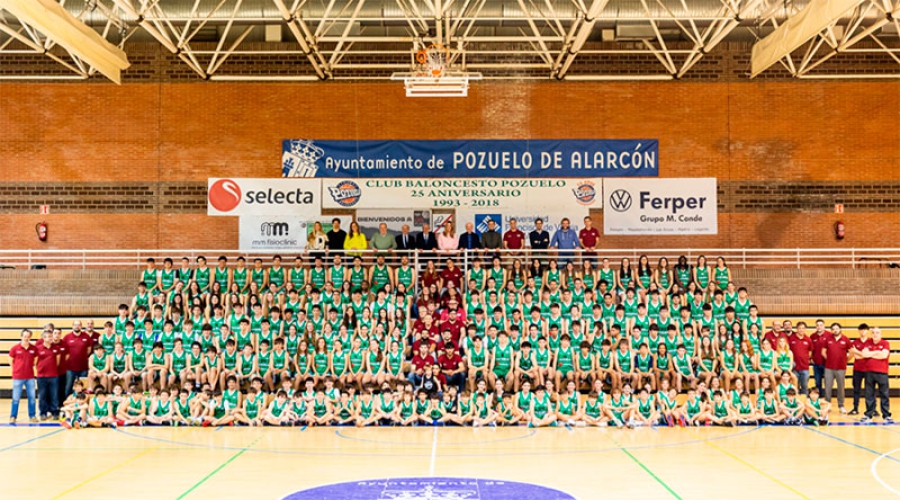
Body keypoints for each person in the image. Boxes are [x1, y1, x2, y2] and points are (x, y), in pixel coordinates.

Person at [861, 327, 892, 423]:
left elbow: (884, 355)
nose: (875, 334)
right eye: (873, 332)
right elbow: (864, 354)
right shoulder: (868, 342)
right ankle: (868, 414)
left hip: (882, 372)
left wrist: (871, 354)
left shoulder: (885, 343)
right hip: (869, 372)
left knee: (884, 394)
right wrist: (877, 352)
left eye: (877, 333)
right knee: (869, 394)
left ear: (881, 334)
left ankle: (886, 415)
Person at [9, 329, 38, 424]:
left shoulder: (34, 349)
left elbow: (35, 361)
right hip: (18, 377)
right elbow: (11, 361)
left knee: (32, 398)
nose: (26, 338)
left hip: (30, 377)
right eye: (24, 336)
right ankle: (13, 416)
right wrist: (16, 370)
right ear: (21, 336)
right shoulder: (15, 348)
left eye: (28, 336)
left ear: (30, 337)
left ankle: (32, 416)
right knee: (16, 398)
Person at [822, 322, 851, 413]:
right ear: (831, 330)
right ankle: (827, 405)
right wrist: (830, 359)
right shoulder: (828, 339)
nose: (835, 330)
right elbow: (823, 352)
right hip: (829, 368)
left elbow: (851, 352)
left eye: (837, 328)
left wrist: (845, 360)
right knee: (827, 387)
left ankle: (841, 405)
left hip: (841, 368)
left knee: (841, 387)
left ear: (840, 329)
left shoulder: (845, 339)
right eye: (833, 329)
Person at [63, 321, 93, 397]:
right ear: (72, 326)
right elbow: (64, 352)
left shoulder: (86, 337)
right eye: (75, 325)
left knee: (82, 387)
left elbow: (89, 350)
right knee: (68, 387)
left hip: (83, 368)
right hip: (70, 368)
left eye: (79, 325)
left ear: (81, 326)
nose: (77, 326)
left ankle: (81, 403)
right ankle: (66, 404)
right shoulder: (67, 337)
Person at [34, 329, 60, 420]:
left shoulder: (56, 348)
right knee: (42, 395)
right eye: (48, 337)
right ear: (43, 338)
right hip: (41, 376)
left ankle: (55, 412)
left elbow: (57, 361)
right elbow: (35, 362)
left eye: (51, 336)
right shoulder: (38, 349)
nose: (50, 338)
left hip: (53, 376)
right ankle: (42, 413)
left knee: (54, 395)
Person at [848, 323, 870, 416]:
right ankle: (855, 408)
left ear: (867, 331)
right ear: (859, 331)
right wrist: (863, 354)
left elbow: (869, 355)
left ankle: (871, 408)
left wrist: (857, 352)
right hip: (857, 369)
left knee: (870, 390)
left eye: (865, 329)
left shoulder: (871, 341)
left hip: (869, 369)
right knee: (856, 389)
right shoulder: (855, 342)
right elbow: (855, 356)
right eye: (861, 330)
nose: (863, 331)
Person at [788, 321, 813, 395]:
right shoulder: (791, 338)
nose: (801, 330)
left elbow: (810, 351)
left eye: (803, 328)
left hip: (804, 367)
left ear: (805, 329)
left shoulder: (808, 339)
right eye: (799, 328)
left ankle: (804, 401)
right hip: (794, 367)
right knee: (795, 386)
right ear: (797, 329)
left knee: (804, 386)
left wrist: (807, 358)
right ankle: (795, 402)